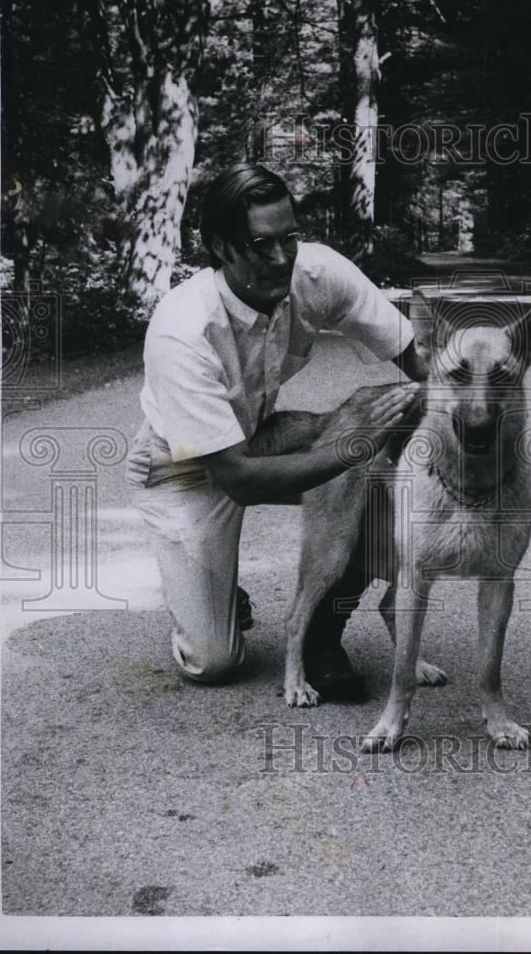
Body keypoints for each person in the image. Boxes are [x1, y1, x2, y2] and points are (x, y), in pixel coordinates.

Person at [125, 163, 428, 698]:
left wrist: (476, 399)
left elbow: (415, 353)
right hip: (187, 468)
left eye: (290, 238)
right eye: (261, 245)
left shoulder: (318, 273)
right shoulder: (182, 329)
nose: (282, 258)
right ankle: (218, 597)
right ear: (221, 247)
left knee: (374, 489)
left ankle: (321, 636)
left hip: (265, 437)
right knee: (212, 662)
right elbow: (238, 478)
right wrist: (354, 448)